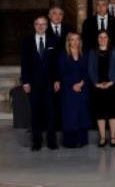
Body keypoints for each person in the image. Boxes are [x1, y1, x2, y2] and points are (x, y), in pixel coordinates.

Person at [20, 16, 60, 151]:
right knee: (35, 112)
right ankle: (36, 142)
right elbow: (24, 63)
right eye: (38, 24)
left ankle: (51, 141)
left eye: (43, 24)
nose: (40, 26)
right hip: (33, 83)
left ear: (47, 26)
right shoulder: (27, 41)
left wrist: (57, 79)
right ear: (34, 25)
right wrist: (25, 81)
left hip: (49, 83)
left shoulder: (53, 41)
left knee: (50, 113)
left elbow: (56, 63)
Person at [57, 32, 91, 148]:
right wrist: (72, 85)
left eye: (77, 39)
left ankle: (81, 140)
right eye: (72, 39)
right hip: (68, 90)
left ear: (80, 41)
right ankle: (70, 142)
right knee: (70, 115)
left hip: (82, 88)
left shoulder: (84, 55)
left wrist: (81, 83)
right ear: (68, 41)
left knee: (82, 114)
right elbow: (62, 73)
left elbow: (88, 71)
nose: (75, 42)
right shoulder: (63, 55)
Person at [88, 30, 115, 147]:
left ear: (108, 38)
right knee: (100, 112)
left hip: (112, 85)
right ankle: (102, 137)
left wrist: (111, 82)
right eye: (100, 37)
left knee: (112, 111)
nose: (102, 39)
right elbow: (90, 69)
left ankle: (112, 137)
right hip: (97, 86)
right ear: (97, 39)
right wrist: (96, 83)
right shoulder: (92, 52)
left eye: (105, 37)